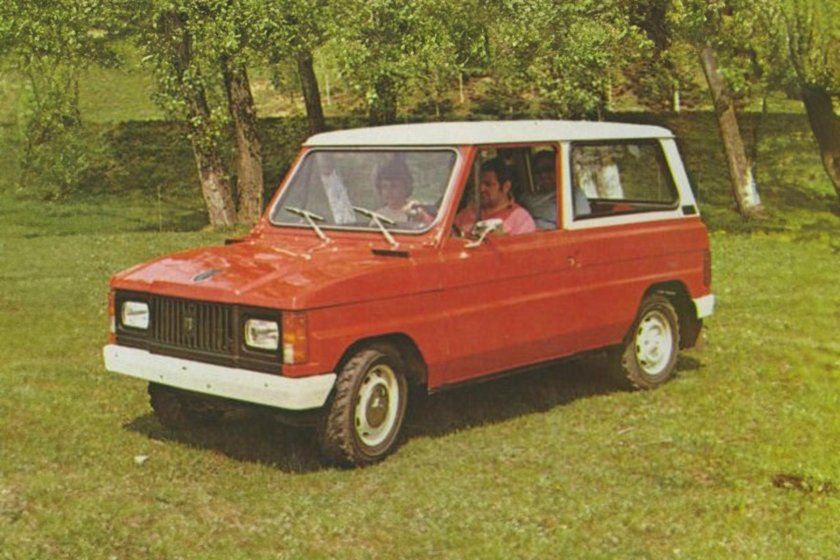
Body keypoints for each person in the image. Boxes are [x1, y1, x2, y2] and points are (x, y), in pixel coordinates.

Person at [454, 157, 536, 235]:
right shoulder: (466, 214)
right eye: (479, 184)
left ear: (506, 187)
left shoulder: (521, 219)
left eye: (488, 184)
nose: (481, 189)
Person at [521, 151, 590, 228]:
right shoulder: (526, 198)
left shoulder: (574, 195)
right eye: (538, 172)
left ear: (558, 170)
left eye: (548, 169)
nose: (543, 175)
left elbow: (582, 226)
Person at [374, 158, 433, 224]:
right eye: (384, 187)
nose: (389, 191)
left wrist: (421, 216)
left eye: (394, 186)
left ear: (405, 187)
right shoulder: (378, 215)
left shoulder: (416, 211)